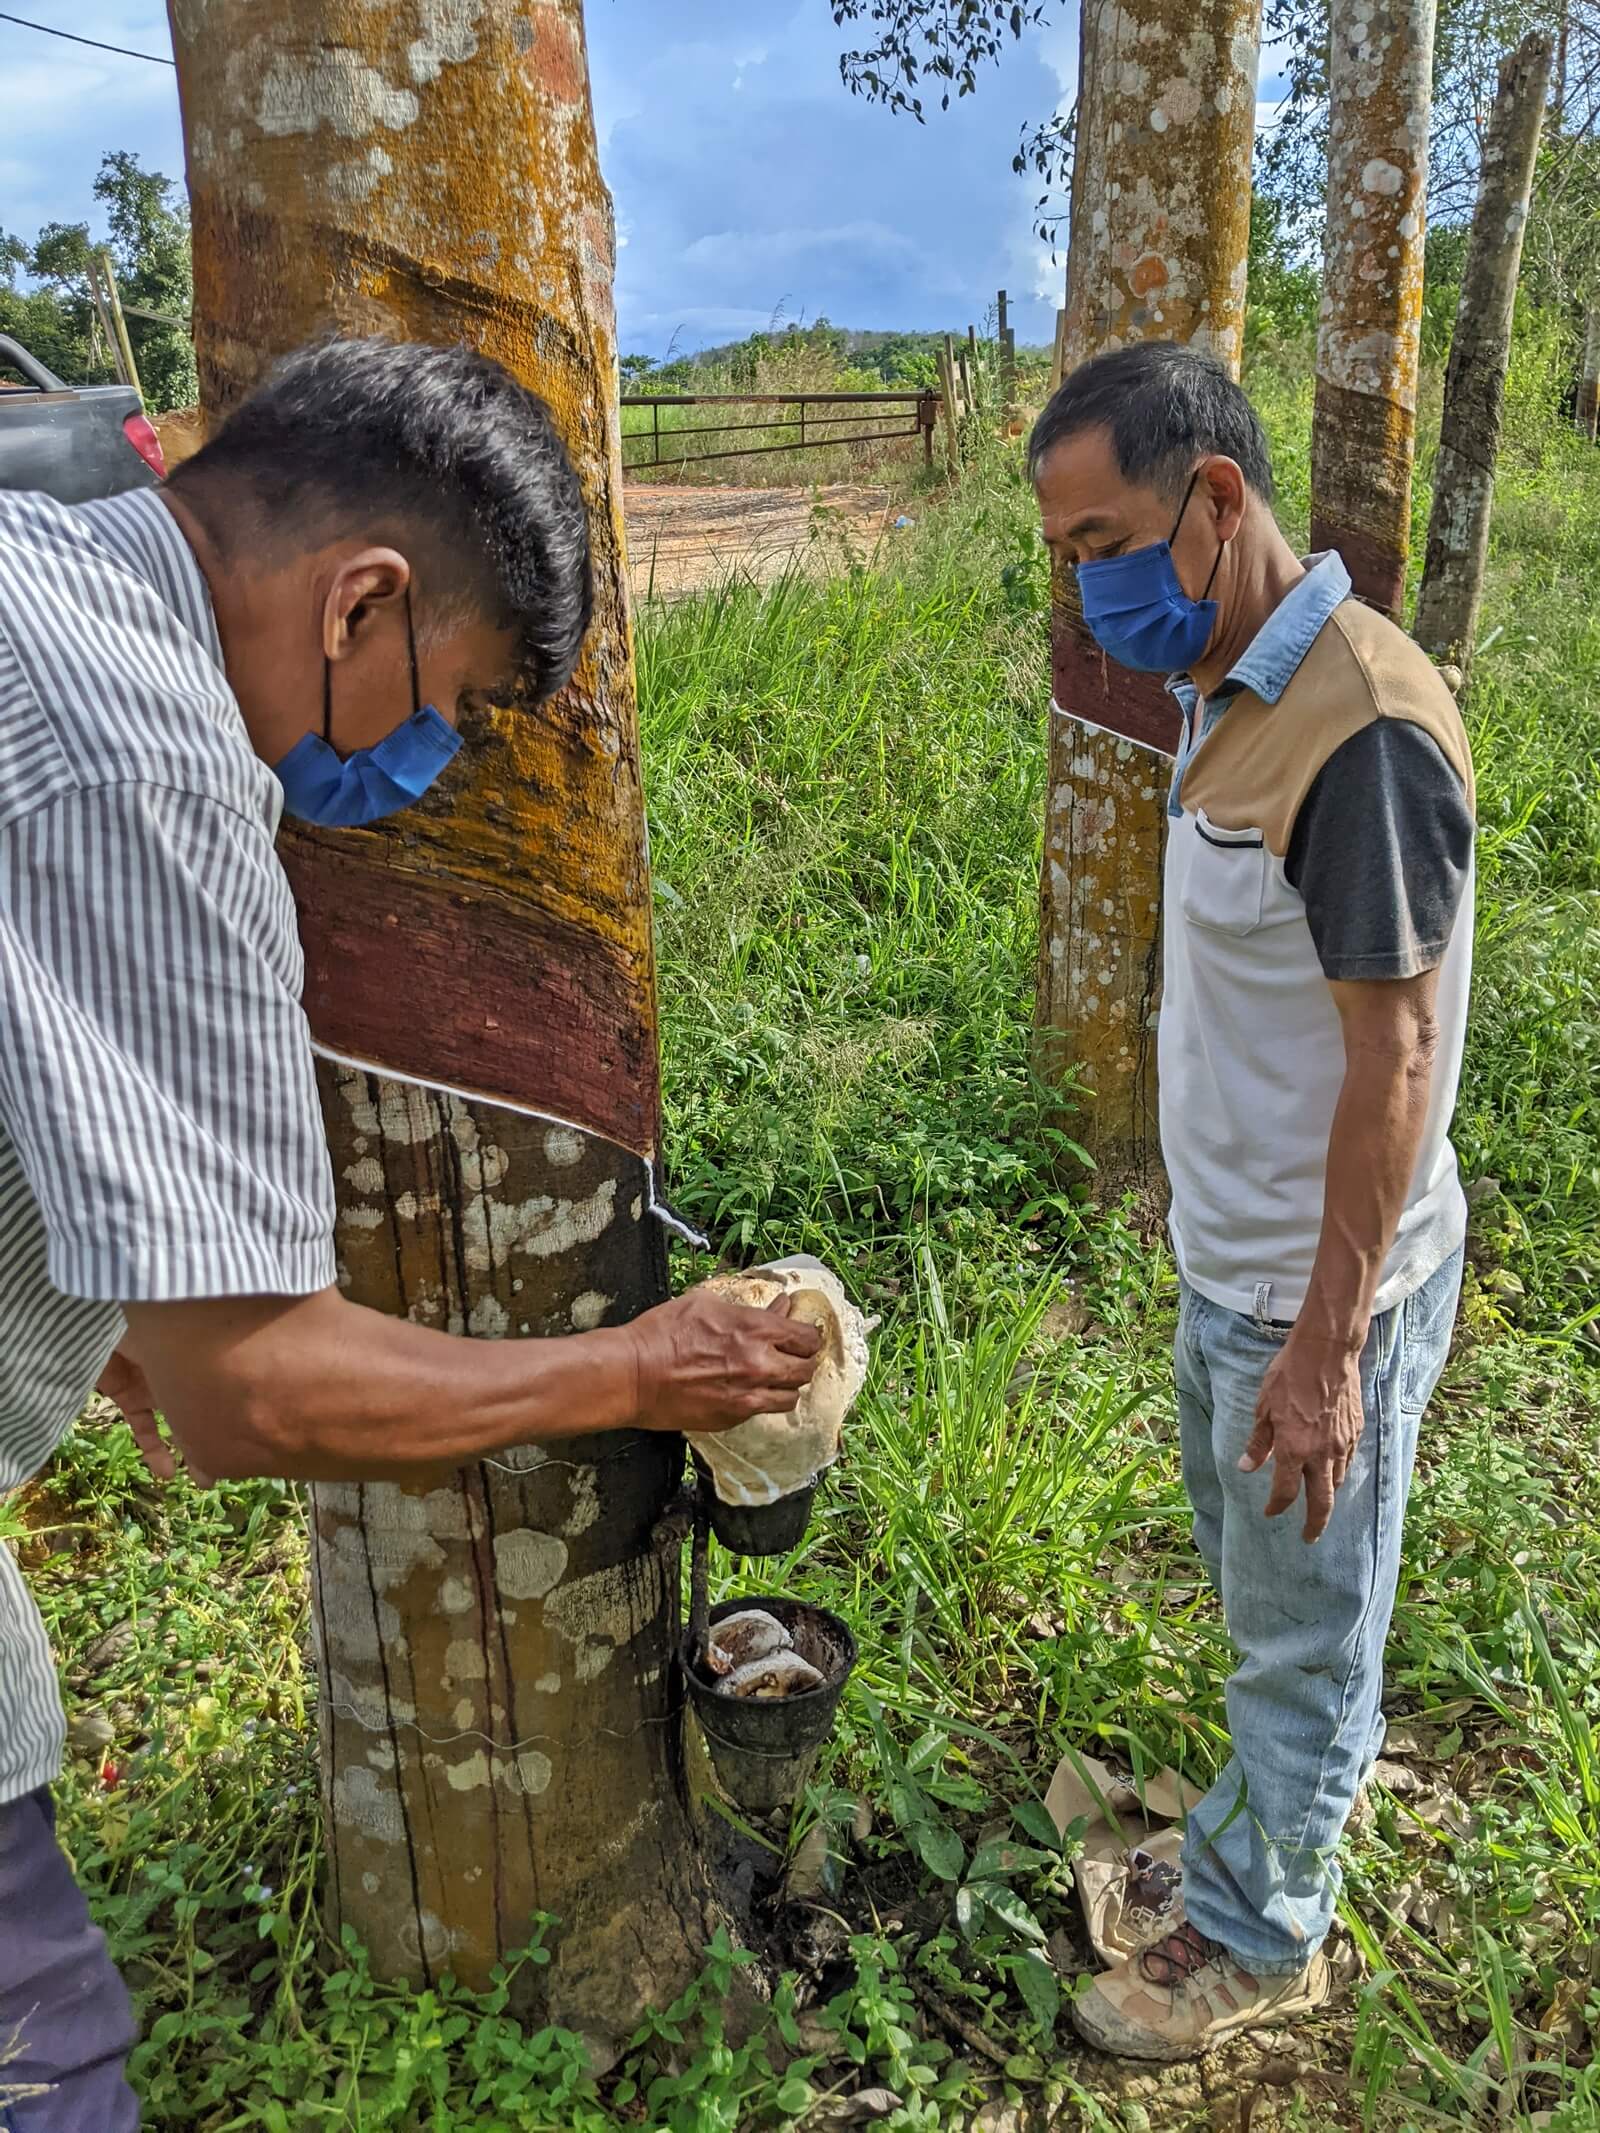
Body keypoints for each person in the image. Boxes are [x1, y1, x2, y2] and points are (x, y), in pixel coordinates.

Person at [0, 337, 821, 2130]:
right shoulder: (151, 756)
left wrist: (117, 1303)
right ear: (361, 599)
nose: (427, 762)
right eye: (446, 698)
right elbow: (258, 1400)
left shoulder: (29, 573)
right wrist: (635, 1363)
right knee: (43, 2056)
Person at [1030, 342, 1475, 2062]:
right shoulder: (1233, 681)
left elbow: (1396, 1054)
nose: (1088, 590)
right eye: (1064, 554)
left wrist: (1326, 1340)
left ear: (1217, 501)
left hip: (1316, 1291)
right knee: (1265, 1592)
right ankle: (1244, 1841)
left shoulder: (1355, 725)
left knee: (1305, 1633)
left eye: (1103, 542)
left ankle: (1267, 1929)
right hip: (1236, 1271)